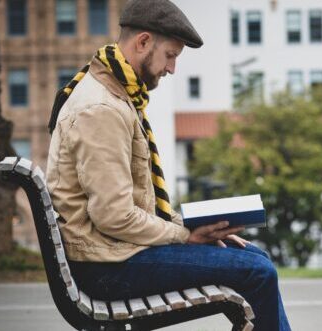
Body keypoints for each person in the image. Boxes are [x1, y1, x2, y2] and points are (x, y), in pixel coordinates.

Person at [45, 1, 291, 330]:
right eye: (171, 55)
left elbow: (130, 207)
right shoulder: (101, 108)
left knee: (255, 257)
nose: (172, 69)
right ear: (143, 42)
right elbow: (113, 215)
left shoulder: (114, 93)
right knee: (257, 272)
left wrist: (194, 226)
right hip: (105, 268)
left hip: (112, 254)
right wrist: (184, 234)